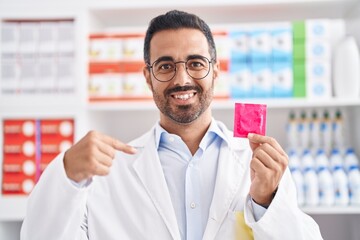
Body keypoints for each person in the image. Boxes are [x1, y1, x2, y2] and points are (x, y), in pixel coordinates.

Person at [20, 10, 323, 240]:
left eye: (195, 63)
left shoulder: (257, 162)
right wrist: (66, 174)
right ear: (147, 76)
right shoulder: (111, 172)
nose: (181, 79)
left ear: (215, 71)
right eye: (165, 66)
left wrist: (266, 203)